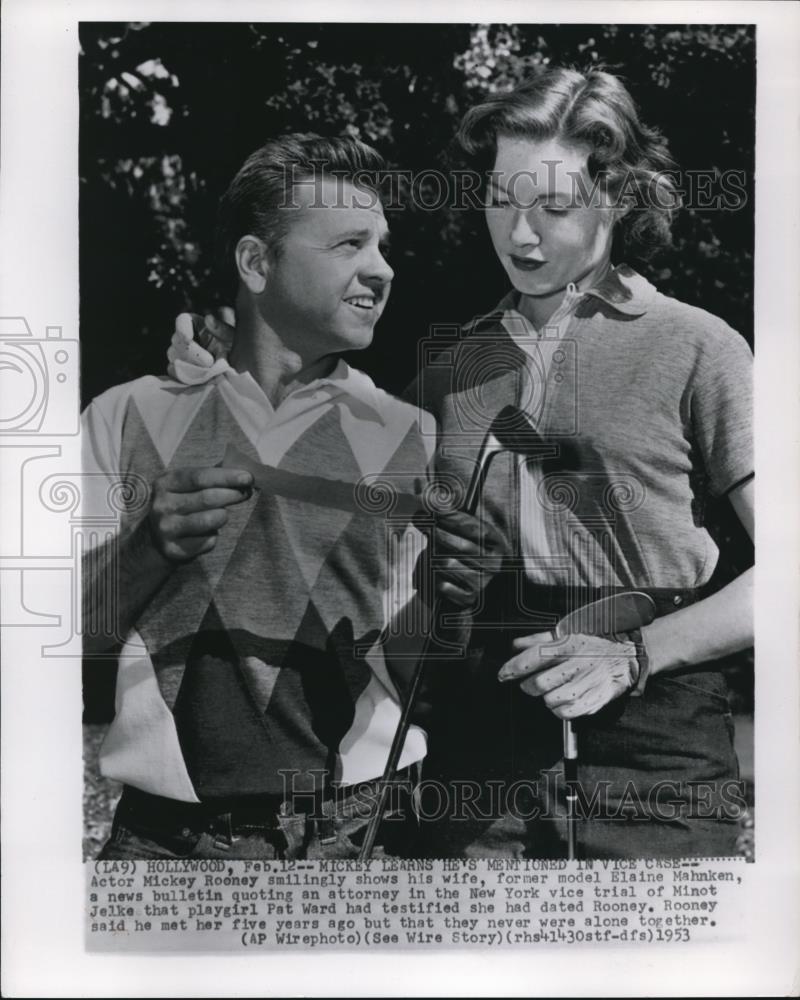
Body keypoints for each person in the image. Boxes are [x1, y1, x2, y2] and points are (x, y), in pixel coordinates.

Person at [171, 67, 754, 859]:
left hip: (656, 746)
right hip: (480, 743)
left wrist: (638, 653)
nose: (520, 236)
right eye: (502, 201)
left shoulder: (700, 347)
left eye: (552, 206)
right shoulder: (450, 368)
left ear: (615, 198)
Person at [82, 133, 495, 860]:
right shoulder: (126, 413)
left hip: (354, 838)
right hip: (161, 844)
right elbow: (53, 637)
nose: (383, 270)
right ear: (255, 261)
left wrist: (445, 598)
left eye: (384, 246)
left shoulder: (410, 433)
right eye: (349, 244)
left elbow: (410, 667)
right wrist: (148, 546)